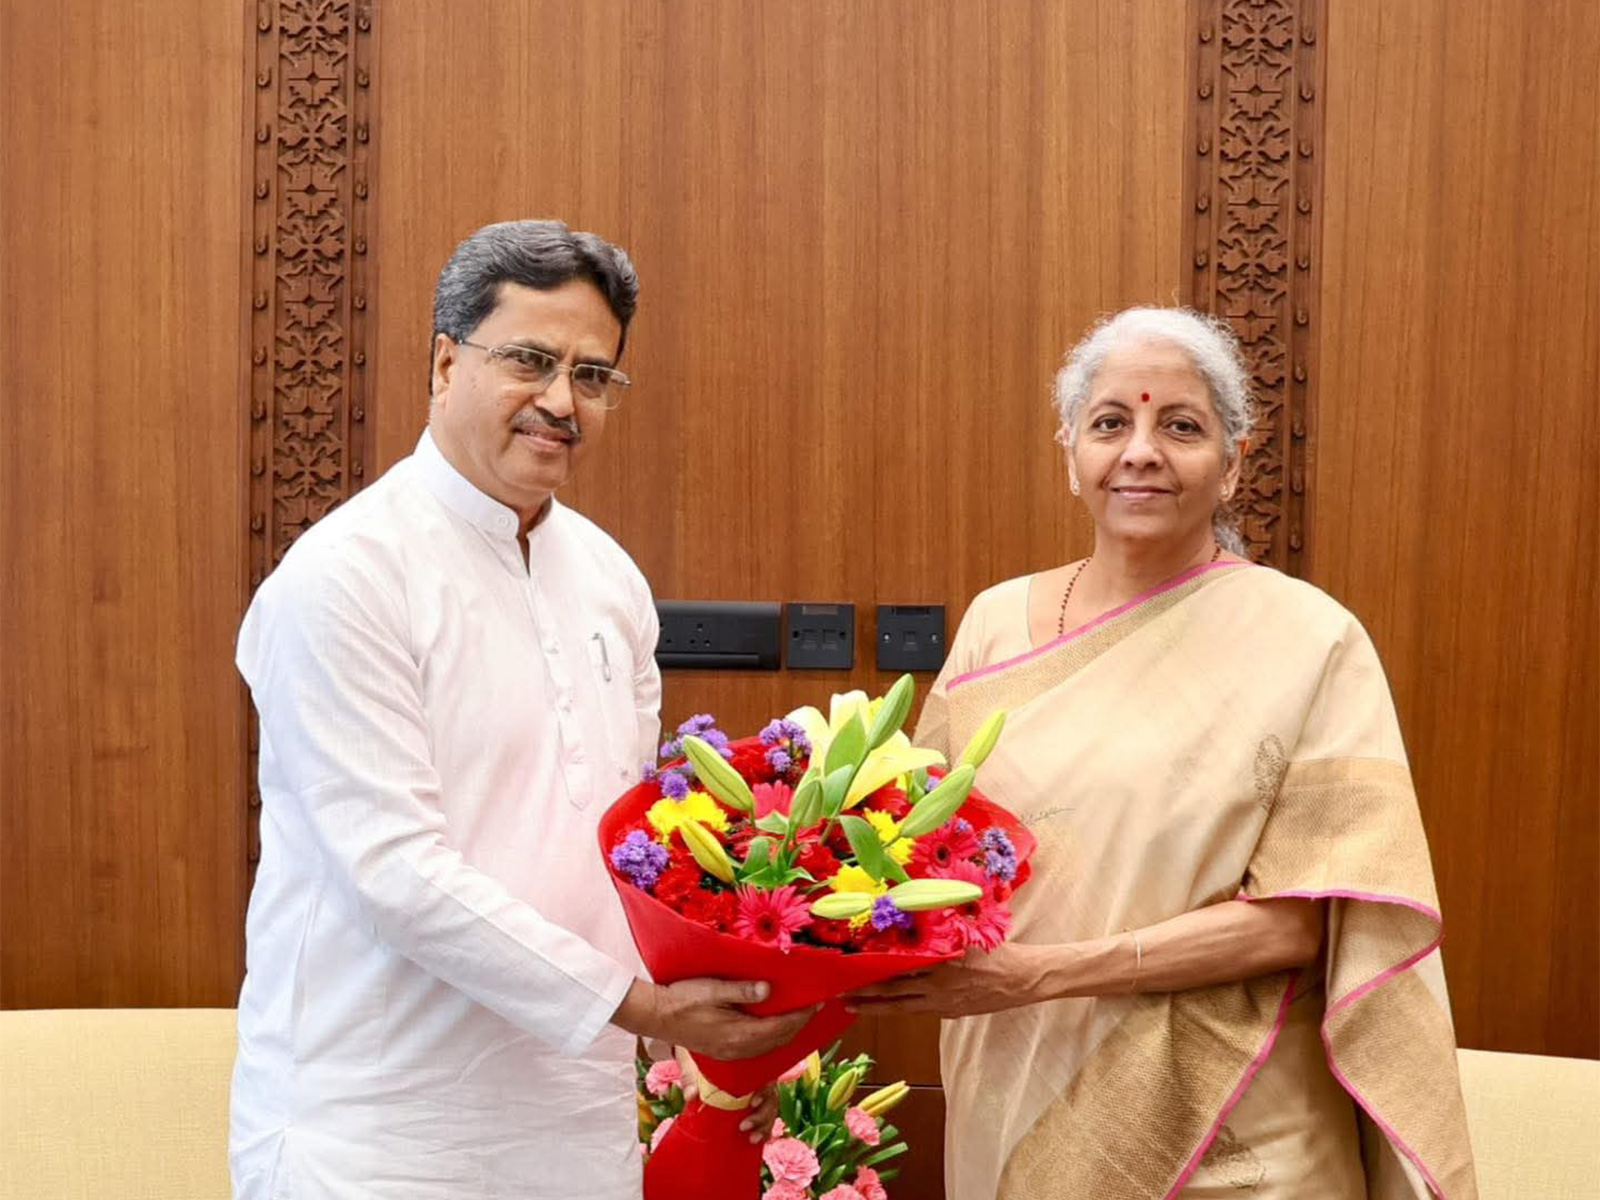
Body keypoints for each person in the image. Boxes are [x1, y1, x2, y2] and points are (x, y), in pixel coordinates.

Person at [230, 220, 808, 1200]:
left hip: (573, 1119)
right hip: (376, 1130)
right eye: (530, 361)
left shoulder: (610, 580)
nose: (561, 401)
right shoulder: (345, 577)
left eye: (592, 375)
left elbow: (625, 852)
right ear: (445, 363)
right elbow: (393, 871)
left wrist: (714, 1038)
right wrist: (640, 1006)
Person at [854, 308, 1478, 1199]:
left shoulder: (1308, 638)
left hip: (1234, 1122)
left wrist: (1041, 974)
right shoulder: (996, 622)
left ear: (1234, 462)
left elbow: (1297, 923)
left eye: (1181, 427)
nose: (1141, 452)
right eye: (1111, 422)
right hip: (1020, 1084)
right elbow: (919, 850)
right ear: (1071, 451)